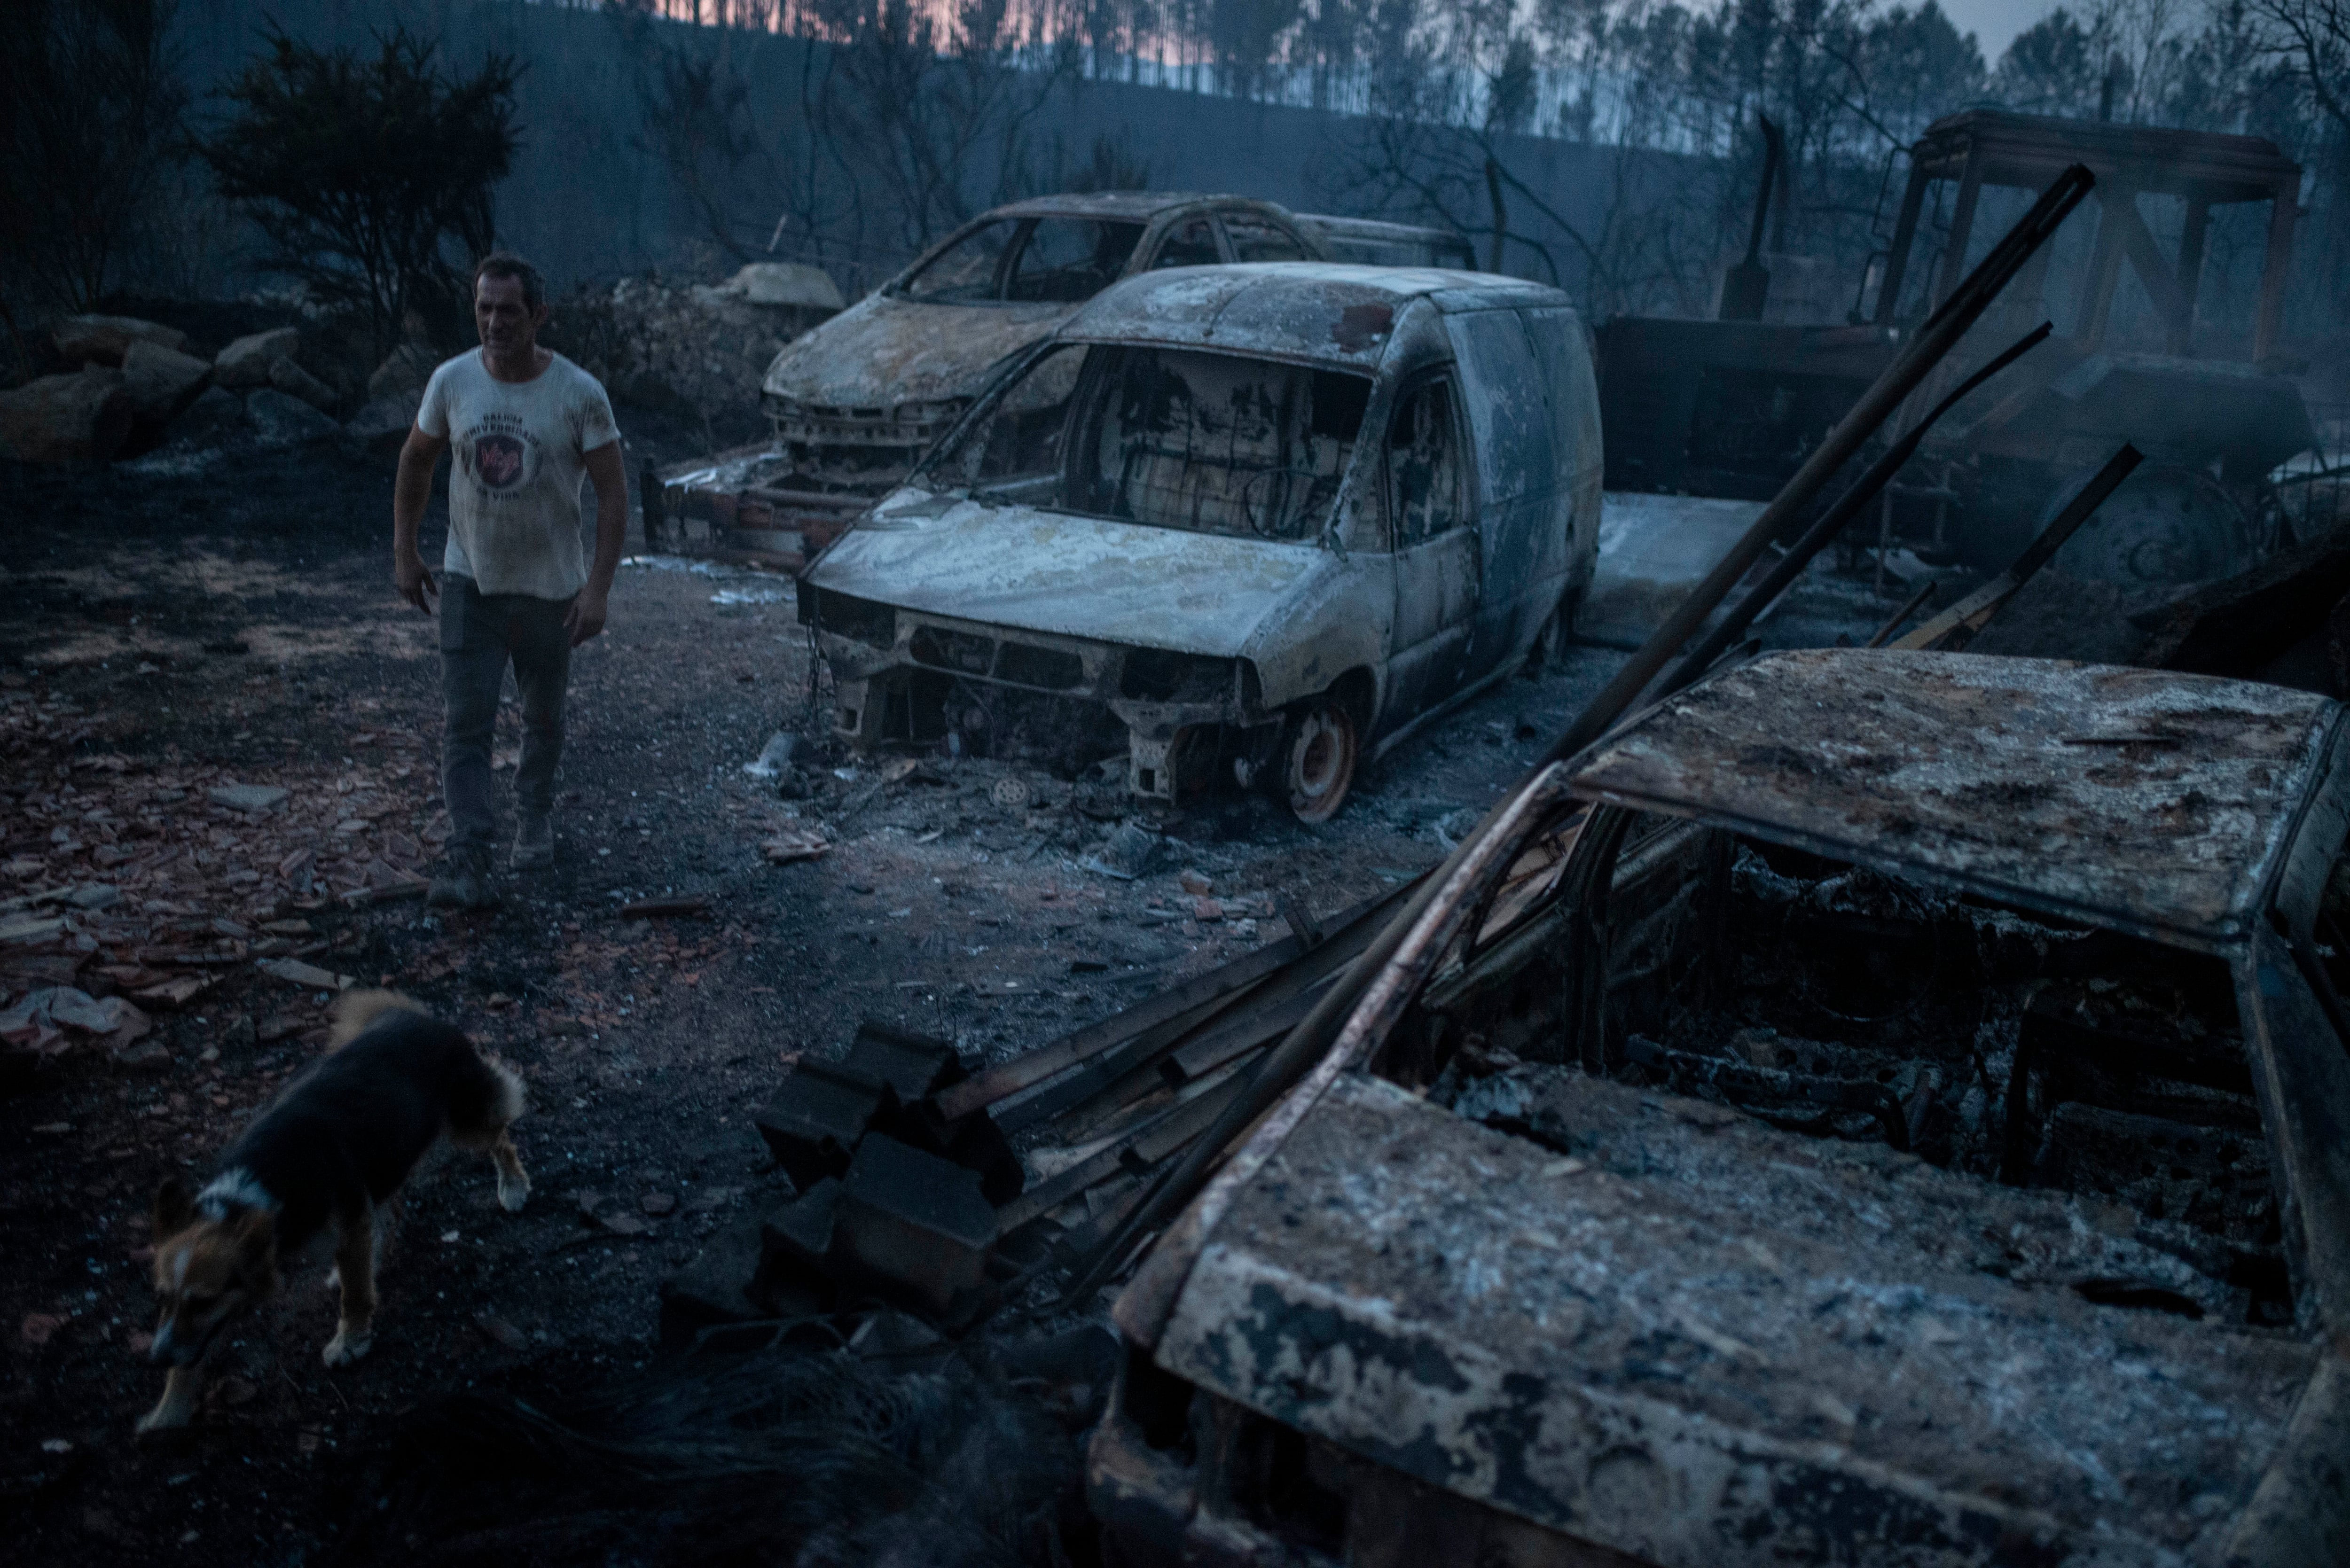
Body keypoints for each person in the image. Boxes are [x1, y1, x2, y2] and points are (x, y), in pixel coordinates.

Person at [392, 253, 626, 910]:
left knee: (543, 719)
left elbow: (612, 495)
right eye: (484, 308)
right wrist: (405, 550)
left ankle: (535, 814)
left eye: (509, 310)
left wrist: (598, 590)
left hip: (551, 589)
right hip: (473, 582)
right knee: (466, 724)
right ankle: (468, 853)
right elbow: (416, 460)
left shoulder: (578, 393)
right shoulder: (452, 380)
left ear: (538, 316)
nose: (495, 322)